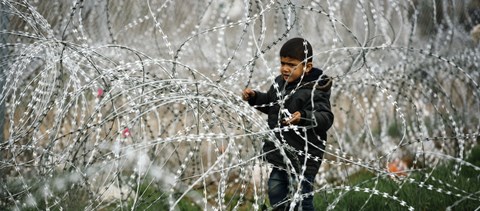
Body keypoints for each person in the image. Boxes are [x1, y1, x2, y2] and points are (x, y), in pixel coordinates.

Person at [242, 37, 334, 210]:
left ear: (307, 67)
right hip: (281, 154)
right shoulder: (279, 84)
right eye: (282, 63)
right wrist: (254, 97)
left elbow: (326, 117)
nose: (285, 68)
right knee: (276, 191)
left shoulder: (315, 90)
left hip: (304, 157)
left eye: (291, 65)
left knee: (301, 200)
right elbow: (270, 104)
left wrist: (303, 117)